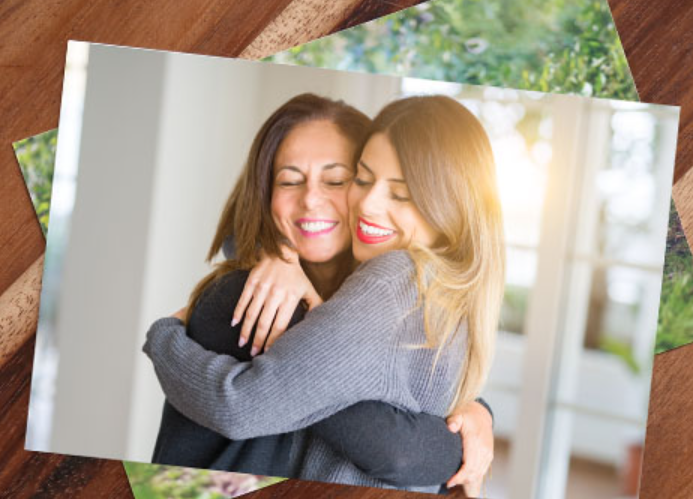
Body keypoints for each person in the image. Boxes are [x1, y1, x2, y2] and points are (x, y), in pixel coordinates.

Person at [146, 94, 502, 494]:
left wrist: (475, 412)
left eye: (338, 180)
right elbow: (393, 448)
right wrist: (163, 337)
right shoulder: (245, 299)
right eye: (289, 180)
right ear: (264, 192)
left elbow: (397, 400)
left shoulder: (397, 303)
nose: (312, 199)